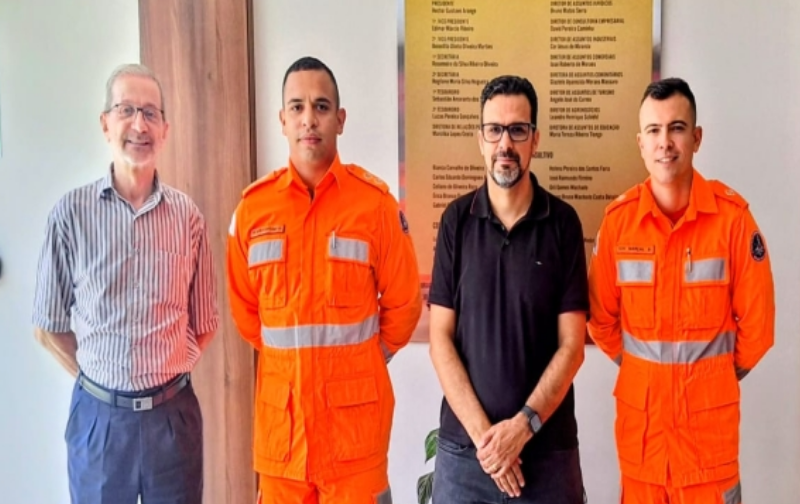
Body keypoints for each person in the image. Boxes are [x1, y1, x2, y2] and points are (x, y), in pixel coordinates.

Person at [226, 56, 422, 504]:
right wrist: (295, 364)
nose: (308, 119)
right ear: (282, 120)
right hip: (283, 437)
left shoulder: (375, 207)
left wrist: (363, 361)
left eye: (321, 106)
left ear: (340, 119)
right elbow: (246, 313)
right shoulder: (253, 211)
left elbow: (404, 305)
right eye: (297, 107)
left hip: (354, 439)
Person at [32, 63, 219, 504]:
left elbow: (205, 323)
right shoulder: (70, 215)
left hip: (172, 420)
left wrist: (165, 370)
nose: (140, 125)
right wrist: (103, 381)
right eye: (127, 110)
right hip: (99, 423)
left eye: (151, 113)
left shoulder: (188, 218)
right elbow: (47, 327)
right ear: (105, 124)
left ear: (165, 130)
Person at [588, 77, 775, 504]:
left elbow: (759, 328)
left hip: (708, 451)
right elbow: (600, 321)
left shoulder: (733, 221)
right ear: (640, 143)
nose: (665, 142)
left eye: (676, 128)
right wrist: (645, 374)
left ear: (697, 138)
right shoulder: (618, 224)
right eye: (654, 130)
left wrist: (712, 379)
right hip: (643, 448)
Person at [428, 75, 588, 503]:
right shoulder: (455, 222)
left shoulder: (563, 224)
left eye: (517, 130)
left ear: (535, 139)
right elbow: (440, 339)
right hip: (465, 458)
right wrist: (489, 443)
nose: (505, 144)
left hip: (548, 457)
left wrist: (522, 428)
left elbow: (572, 345)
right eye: (494, 130)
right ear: (480, 139)